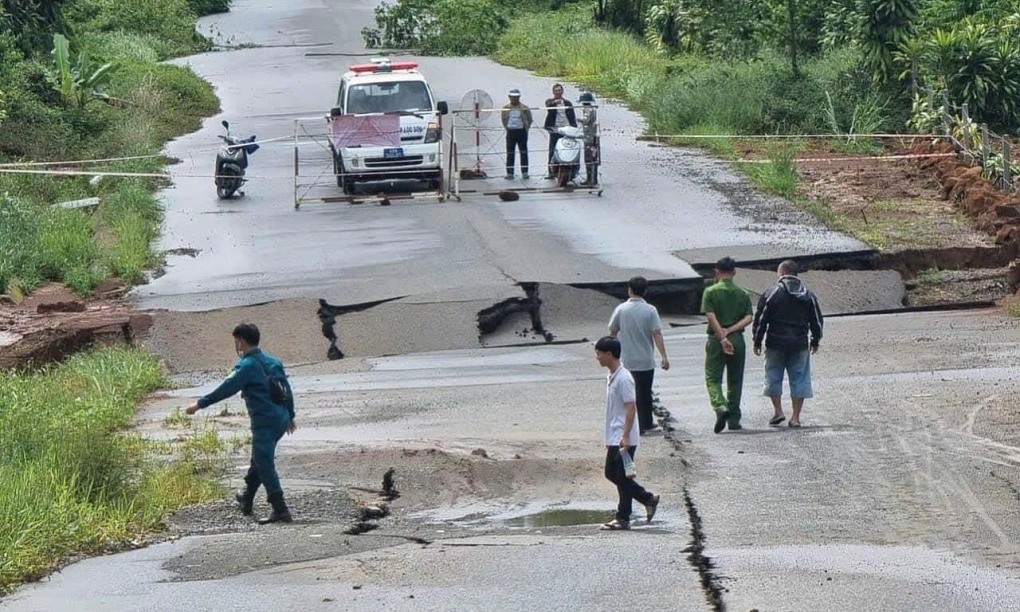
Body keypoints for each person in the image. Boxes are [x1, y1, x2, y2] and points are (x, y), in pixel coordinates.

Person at [186, 323, 297, 523]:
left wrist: (199, 404)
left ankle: (280, 509)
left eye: (236, 340)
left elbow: (226, 388)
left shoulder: (246, 367)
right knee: (259, 458)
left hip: (264, 421)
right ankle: (246, 498)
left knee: (264, 463)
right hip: (280, 419)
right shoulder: (273, 361)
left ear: (241, 341)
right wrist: (290, 415)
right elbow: (286, 388)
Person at [595, 336, 660, 531]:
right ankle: (646, 498)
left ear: (609, 354)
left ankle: (623, 517)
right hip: (615, 434)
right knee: (612, 473)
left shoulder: (624, 378)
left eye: (599, 354)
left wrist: (625, 436)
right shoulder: (612, 376)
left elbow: (631, 407)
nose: (597, 358)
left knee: (621, 477)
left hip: (623, 435)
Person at [752, 260, 823, 428]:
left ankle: (778, 412)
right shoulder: (808, 294)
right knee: (800, 378)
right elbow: (817, 320)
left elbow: (761, 319)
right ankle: (795, 417)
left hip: (775, 342)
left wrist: (757, 340)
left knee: (773, 376)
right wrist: (815, 340)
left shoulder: (772, 293)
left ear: (782, 273)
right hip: (799, 343)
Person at [608, 276, 670, 435]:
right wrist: (664, 356)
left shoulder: (621, 309)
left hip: (626, 359)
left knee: (629, 394)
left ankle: (633, 424)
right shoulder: (650, 310)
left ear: (629, 289)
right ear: (645, 291)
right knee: (645, 393)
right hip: (645, 360)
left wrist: (613, 355)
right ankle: (646, 423)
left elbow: (612, 331)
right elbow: (657, 333)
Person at [700, 257, 754, 434]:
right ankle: (734, 418)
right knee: (735, 379)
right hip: (737, 338)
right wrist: (731, 330)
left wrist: (722, 336)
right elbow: (748, 318)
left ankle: (720, 405)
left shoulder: (710, 292)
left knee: (713, 377)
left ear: (716, 271)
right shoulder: (743, 293)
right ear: (734, 272)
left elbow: (710, 316)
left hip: (716, 339)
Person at [543, 83, 577, 179]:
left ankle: (571, 172)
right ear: (553, 92)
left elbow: (572, 117)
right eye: (556, 90)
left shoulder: (567, 103)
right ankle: (551, 172)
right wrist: (555, 103)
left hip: (566, 130)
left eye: (559, 90)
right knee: (552, 150)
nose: (558, 92)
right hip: (555, 129)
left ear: (562, 91)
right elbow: (548, 107)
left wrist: (574, 128)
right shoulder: (550, 102)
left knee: (569, 149)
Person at [501, 88, 533, 180]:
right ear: (509, 97)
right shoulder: (505, 108)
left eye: (516, 97)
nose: (514, 99)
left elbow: (529, 119)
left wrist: (526, 127)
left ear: (519, 97)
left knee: (523, 152)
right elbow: (503, 119)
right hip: (511, 131)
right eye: (513, 97)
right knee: (510, 153)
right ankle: (510, 173)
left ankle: (525, 172)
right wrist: (507, 127)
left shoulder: (524, 108)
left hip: (521, 131)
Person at [577, 91, 600, 186]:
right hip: (593, 136)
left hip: (589, 138)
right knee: (593, 158)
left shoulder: (587, 109)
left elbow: (586, 120)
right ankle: (593, 179)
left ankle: (590, 179)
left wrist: (579, 120)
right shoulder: (593, 109)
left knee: (589, 159)